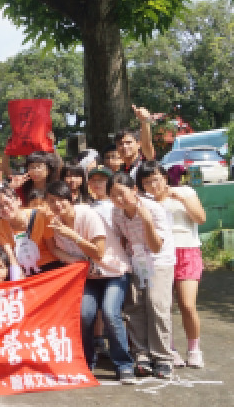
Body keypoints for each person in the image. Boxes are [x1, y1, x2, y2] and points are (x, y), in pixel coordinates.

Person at [137, 161, 206, 368]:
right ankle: (170, 349)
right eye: (147, 182)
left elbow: (201, 219)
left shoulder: (185, 191)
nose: (153, 185)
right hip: (159, 256)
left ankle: (194, 349)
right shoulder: (144, 202)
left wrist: (182, 199)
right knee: (163, 306)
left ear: (165, 178)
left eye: (156, 179)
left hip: (187, 252)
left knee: (187, 304)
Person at [108, 172, 175, 379]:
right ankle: (142, 355)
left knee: (157, 304)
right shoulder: (116, 212)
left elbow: (156, 247)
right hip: (135, 261)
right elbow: (121, 239)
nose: (118, 199)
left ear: (134, 190)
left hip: (158, 260)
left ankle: (163, 358)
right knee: (134, 306)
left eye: (122, 193)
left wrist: (147, 222)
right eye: (113, 195)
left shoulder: (153, 209)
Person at [80, 167, 138, 383]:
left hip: (115, 271)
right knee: (85, 314)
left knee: (110, 313)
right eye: (93, 180)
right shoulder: (84, 208)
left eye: (102, 180)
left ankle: (124, 364)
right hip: (92, 273)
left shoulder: (118, 208)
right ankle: (86, 362)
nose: (97, 184)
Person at [0, 187, 59, 275]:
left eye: (7, 203)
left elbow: (53, 249)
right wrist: (18, 278)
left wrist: (75, 261)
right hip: (24, 270)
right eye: (0, 206)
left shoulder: (40, 217)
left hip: (49, 266)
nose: (5, 208)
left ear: (18, 201)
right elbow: (11, 257)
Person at [114, 105, 156, 177]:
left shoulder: (146, 162)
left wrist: (145, 121)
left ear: (139, 144)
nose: (124, 146)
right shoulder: (120, 171)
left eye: (128, 142)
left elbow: (147, 145)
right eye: (120, 144)